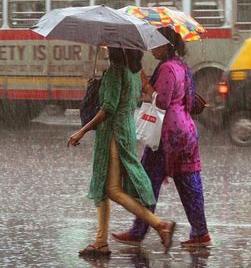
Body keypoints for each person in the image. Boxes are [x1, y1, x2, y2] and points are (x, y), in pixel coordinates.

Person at [68, 47, 176, 255]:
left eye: (110, 47)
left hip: (113, 134)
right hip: (125, 130)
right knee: (103, 185)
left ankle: (160, 224)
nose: (106, 50)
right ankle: (101, 240)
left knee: (112, 190)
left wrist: (81, 131)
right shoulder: (134, 72)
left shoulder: (116, 71)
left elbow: (107, 108)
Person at [112, 27, 211, 248]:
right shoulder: (182, 66)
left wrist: (145, 82)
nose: (151, 47)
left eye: (154, 42)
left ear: (166, 44)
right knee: (189, 184)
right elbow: (189, 98)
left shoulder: (167, 68)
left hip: (167, 134)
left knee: (147, 181)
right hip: (186, 131)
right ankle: (200, 232)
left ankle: (139, 230)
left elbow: (162, 102)